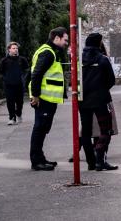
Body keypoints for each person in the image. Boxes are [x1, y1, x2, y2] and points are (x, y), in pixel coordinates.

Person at [28, 27, 69, 171]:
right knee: (39, 129)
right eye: (65, 40)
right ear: (56, 38)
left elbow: (32, 72)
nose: (66, 43)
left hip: (46, 99)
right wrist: (36, 95)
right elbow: (36, 74)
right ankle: (36, 161)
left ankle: (40, 158)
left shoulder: (46, 50)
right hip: (44, 99)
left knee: (42, 129)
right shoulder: (48, 53)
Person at [79, 33, 118, 171]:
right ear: (98, 43)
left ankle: (91, 162)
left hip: (83, 100)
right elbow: (111, 80)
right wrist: (101, 90)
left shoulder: (79, 60)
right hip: (101, 100)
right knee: (106, 130)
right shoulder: (103, 59)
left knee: (85, 132)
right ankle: (100, 159)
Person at [0, 42, 29, 125]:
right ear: (9, 50)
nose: (15, 50)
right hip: (8, 85)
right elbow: (0, 72)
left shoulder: (22, 59)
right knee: (10, 102)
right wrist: (5, 79)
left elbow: (27, 70)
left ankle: (18, 114)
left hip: (19, 84)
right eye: (13, 48)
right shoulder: (4, 61)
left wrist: (23, 78)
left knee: (20, 102)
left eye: (16, 48)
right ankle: (12, 118)